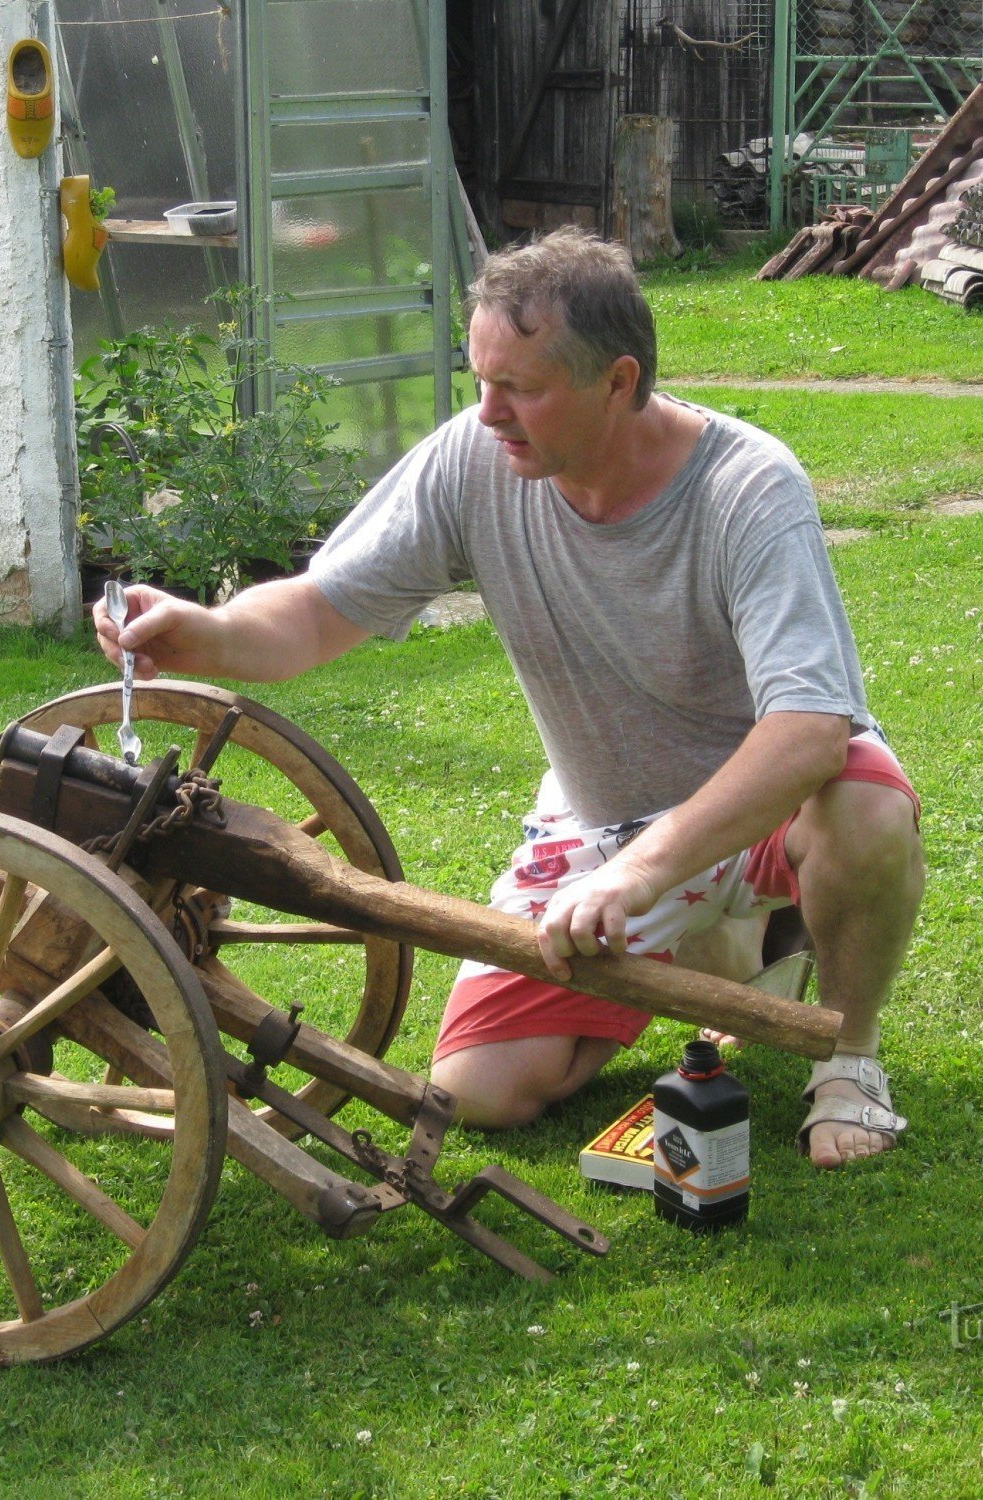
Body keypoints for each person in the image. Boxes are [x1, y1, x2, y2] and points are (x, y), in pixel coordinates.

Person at [94, 227, 924, 1168]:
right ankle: (730, 947)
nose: (488, 413)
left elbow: (812, 730)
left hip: (760, 815)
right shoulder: (475, 462)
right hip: (601, 823)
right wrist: (204, 630)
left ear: (617, 381)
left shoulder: (747, 488)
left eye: (520, 387)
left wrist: (642, 876)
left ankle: (848, 1060)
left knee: (866, 804)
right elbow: (321, 612)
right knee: (479, 1094)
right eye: (478, 380)